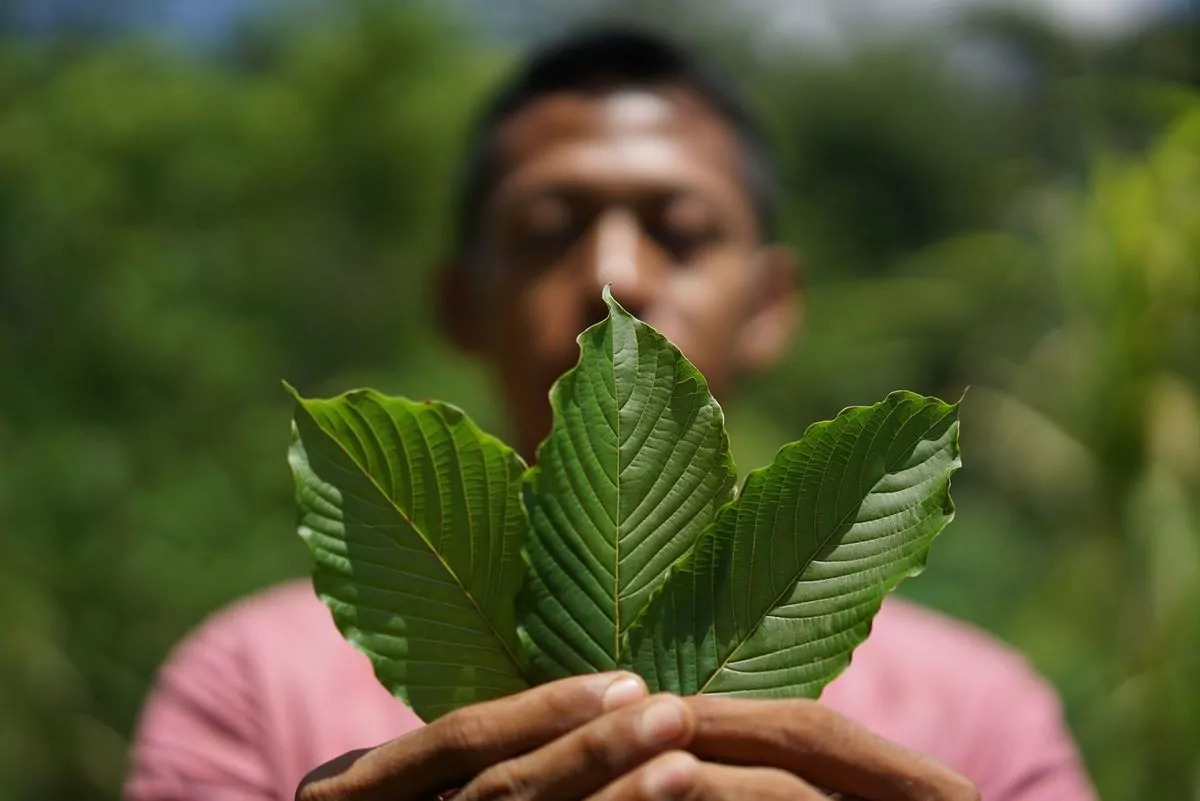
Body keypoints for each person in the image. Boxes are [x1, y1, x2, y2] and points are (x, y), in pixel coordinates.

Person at [125, 27, 1096, 801]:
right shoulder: (251, 683)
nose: (613, 275)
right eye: (549, 232)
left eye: (679, 231)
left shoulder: (984, 716)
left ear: (771, 305)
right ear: (459, 303)